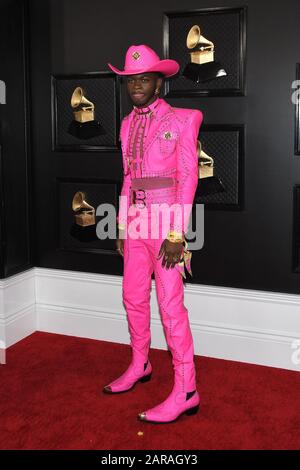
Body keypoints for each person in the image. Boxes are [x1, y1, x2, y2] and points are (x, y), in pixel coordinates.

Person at [104, 44, 203, 424]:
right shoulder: (127, 124)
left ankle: (187, 390)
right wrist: (122, 225)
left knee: (170, 306)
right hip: (137, 224)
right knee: (131, 296)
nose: (137, 85)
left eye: (144, 78)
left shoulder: (184, 119)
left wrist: (178, 234)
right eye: (131, 80)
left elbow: (189, 179)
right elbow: (128, 178)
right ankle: (140, 364)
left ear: (158, 81)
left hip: (167, 222)